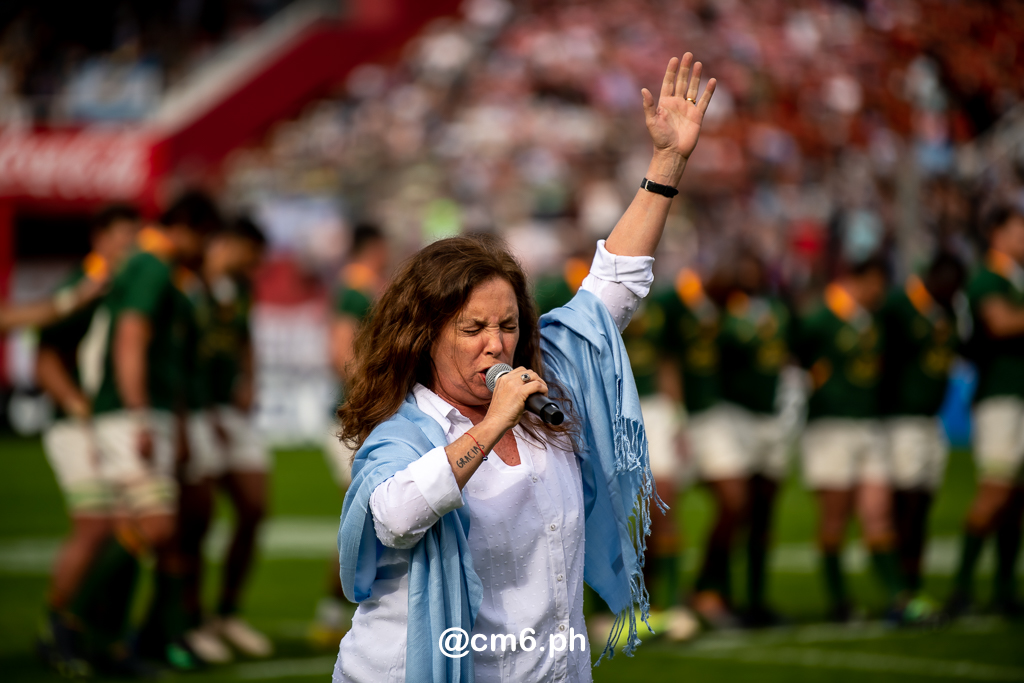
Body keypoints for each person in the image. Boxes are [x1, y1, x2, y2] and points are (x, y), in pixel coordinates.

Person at [333, 54, 716, 683]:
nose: (496, 345)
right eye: (473, 329)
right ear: (424, 336)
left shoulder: (545, 379)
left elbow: (614, 284)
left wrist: (667, 164)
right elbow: (391, 517)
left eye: (508, 325)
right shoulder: (406, 432)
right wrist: (488, 430)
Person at [79, 190, 220, 671]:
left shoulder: (157, 268)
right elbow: (130, 336)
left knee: (140, 524)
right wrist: (140, 413)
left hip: (149, 411)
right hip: (132, 412)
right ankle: (73, 620)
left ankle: (107, 640)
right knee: (156, 524)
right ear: (193, 230)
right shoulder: (154, 266)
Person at [35, 205, 140, 676]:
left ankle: (102, 634)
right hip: (77, 424)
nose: (131, 243)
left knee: (129, 527)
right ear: (99, 237)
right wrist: (81, 410)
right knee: (97, 526)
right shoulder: (82, 286)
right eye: (122, 234)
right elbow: (46, 360)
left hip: (108, 423)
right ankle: (58, 627)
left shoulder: (125, 285)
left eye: (135, 234)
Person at [178, 215, 273, 662]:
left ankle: (227, 612)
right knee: (195, 519)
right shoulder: (187, 282)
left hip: (229, 412)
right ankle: (190, 618)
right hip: (194, 409)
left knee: (254, 507)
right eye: (252, 255)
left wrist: (249, 378)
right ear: (232, 244)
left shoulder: (240, 290)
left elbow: (244, 338)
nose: (255, 265)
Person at [793, 255, 909, 622]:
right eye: (873, 282)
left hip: (869, 425)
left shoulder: (875, 320)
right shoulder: (824, 316)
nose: (878, 290)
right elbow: (795, 351)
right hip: (831, 428)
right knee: (836, 517)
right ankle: (839, 600)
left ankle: (899, 597)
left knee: (879, 512)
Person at [313, 223, 390, 646]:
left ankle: (338, 610)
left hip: (359, 415)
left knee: (370, 515)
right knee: (364, 515)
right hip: (353, 418)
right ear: (373, 247)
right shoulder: (354, 288)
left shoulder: (363, 286)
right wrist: (371, 397)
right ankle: (331, 612)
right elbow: (339, 350)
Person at [948, 205, 1024, 617]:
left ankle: (1003, 589)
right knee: (994, 492)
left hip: (1017, 397)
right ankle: (962, 587)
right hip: (1000, 397)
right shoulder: (986, 278)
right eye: (1019, 231)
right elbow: (1002, 323)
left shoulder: (1014, 279)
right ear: (997, 234)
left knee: (1015, 499)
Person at [713, 249, 796, 627]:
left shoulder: (778, 310)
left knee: (764, 511)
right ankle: (722, 592)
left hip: (772, 415)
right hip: (736, 414)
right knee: (739, 505)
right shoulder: (724, 313)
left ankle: (757, 596)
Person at [880, 252, 965, 600]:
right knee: (908, 502)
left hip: (932, 419)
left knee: (924, 502)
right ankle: (903, 588)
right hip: (902, 419)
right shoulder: (900, 305)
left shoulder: (948, 310)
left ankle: (912, 580)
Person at [656, 263, 733, 627]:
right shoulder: (667, 303)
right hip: (623, 409)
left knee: (668, 501)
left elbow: (667, 362)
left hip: (677, 411)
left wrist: (676, 416)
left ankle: (685, 598)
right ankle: (651, 601)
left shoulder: (673, 302)